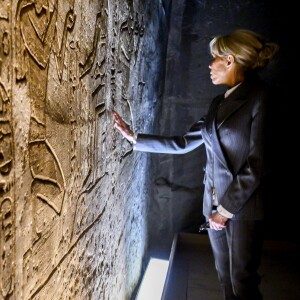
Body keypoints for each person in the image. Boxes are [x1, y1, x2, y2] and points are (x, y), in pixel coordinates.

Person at [113, 29, 278, 300]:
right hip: (212, 205)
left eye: (214, 58)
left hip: (241, 208)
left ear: (230, 59)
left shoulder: (261, 97)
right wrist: (135, 138)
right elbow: (182, 142)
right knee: (225, 278)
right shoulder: (217, 104)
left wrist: (225, 211)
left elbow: (258, 163)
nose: (210, 65)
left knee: (242, 282)